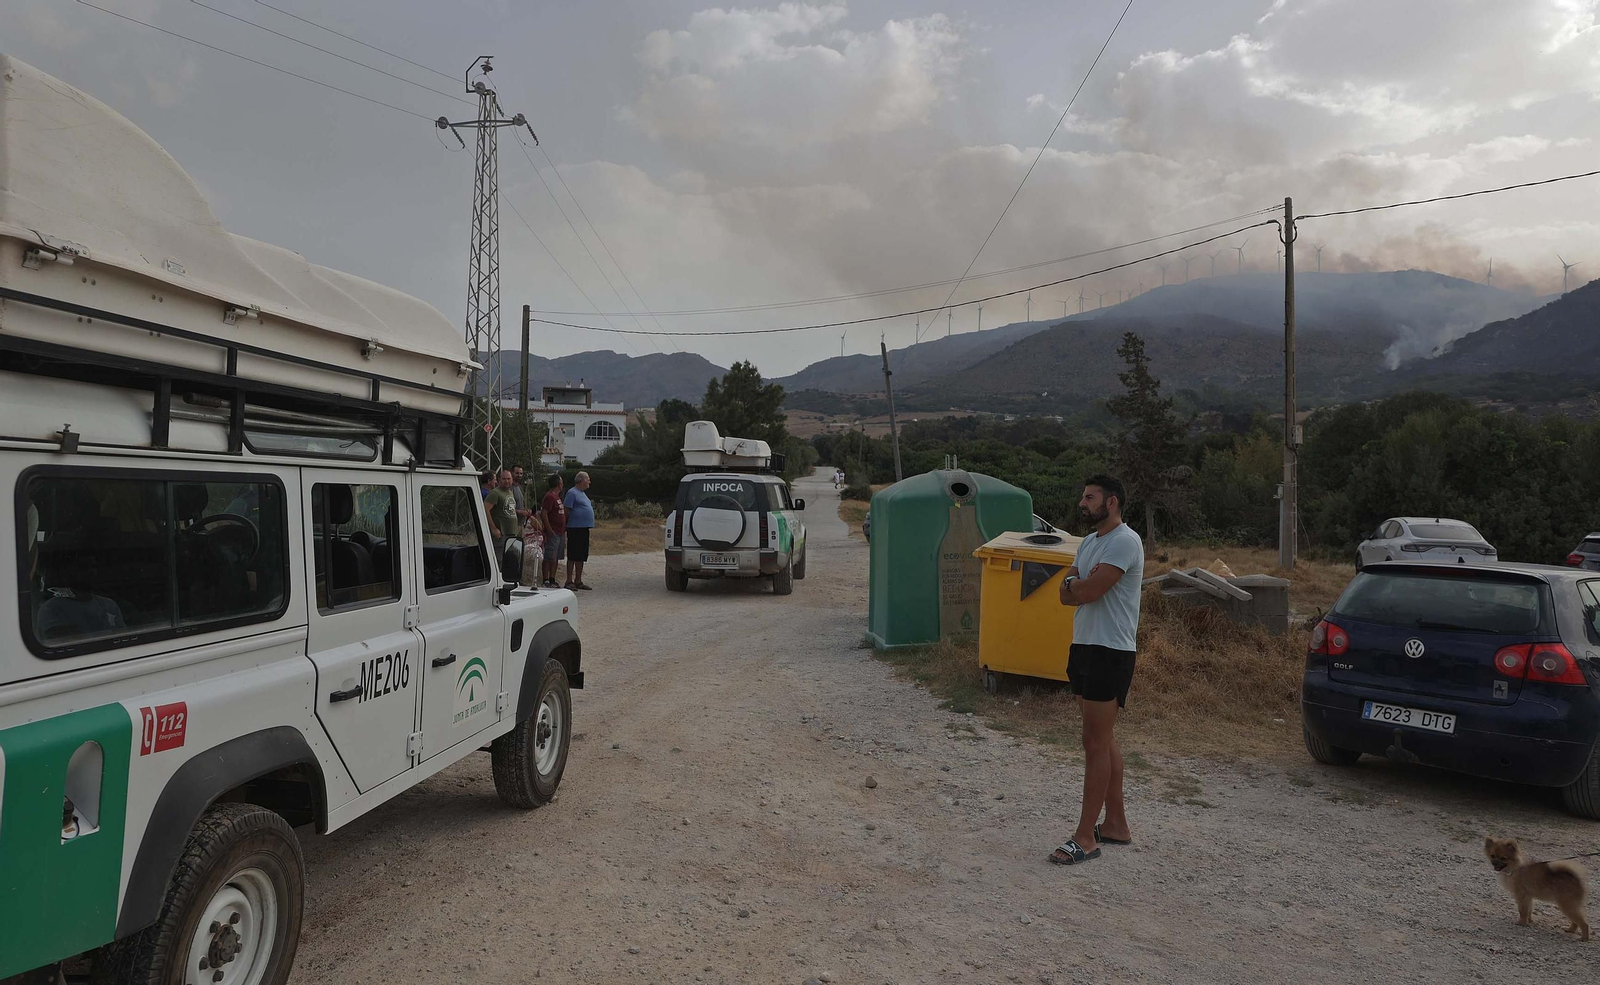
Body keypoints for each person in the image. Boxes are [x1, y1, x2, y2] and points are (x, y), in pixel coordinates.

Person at [1050, 473, 1144, 867]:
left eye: (1090, 497)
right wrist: (1077, 584)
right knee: (1102, 740)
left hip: (1111, 650)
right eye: (1082, 496)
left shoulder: (1125, 541)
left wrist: (1077, 584)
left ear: (1112, 502)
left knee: (1094, 744)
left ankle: (1086, 837)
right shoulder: (1089, 542)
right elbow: (1063, 593)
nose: (1082, 503)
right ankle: (1117, 823)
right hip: (1084, 647)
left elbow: (1085, 591)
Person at [563, 471, 595, 590]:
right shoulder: (572, 493)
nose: (589, 482)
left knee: (581, 555)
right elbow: (566, 510)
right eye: (588, 479)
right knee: (573, 555)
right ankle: (569, 580)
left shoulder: (582, 493)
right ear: (581, 480)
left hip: (583, 528)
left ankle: (578, 580)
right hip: (575, 528)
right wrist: (565, 525)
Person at [484, 468, 518, 575]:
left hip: (512, 534)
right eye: (504, 479)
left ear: (512, 479)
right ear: (499, 480)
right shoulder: (495, 493)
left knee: (510, 561)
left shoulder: (510, 492)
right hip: (501, 535)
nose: (506, 481)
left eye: (508, 479)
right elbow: (485, 509)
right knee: (499, 561)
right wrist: (493, 528)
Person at [540, 474, 567, 588]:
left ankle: (552, 578)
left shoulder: (557, 497)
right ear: (558, 484)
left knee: (556, 556)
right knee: (549, 556)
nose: (562, 484)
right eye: (561, 482)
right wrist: (549, 529)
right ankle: (545, 579)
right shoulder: (550, 497)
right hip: (554, 532)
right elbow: (544, 513)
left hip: (560, 532)